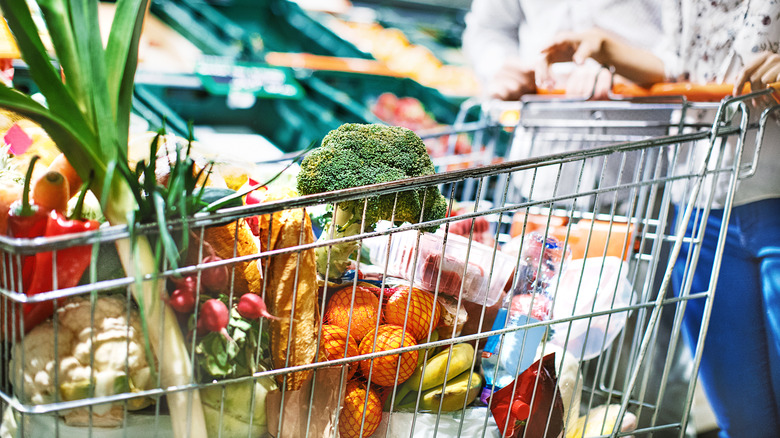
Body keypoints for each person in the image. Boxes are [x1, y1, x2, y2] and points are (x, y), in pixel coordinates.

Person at [538, 1, 780, 437]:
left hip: (773, 194)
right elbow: (680, 65)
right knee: (744, 421)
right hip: (697, 203)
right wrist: (605, 48)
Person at [461, 3, 697, 438]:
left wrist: (630, 63)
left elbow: (693, 41)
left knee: (641, 365)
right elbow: (490, 27)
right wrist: (500, 68)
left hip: (638, 182)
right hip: (538, 176)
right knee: (519, 355)